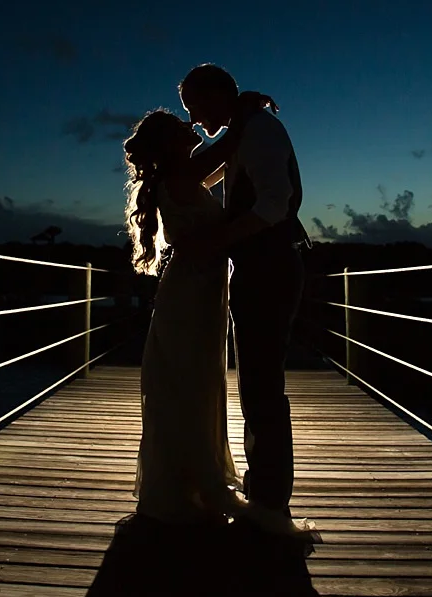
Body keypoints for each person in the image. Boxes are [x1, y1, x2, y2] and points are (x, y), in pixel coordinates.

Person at [123, 86, 316, 547]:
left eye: (194, 113)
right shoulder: (188, 170)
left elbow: (230, 170)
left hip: (200, 292)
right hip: (192, 295)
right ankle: (192, 485)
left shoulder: (184, 172)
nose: (193, 125)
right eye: (183, 122)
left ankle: (190, 480)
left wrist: (241, 111)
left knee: (197, 383)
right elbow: (231, 146)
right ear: (170, 145)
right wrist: (244, 110)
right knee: (192, 384)